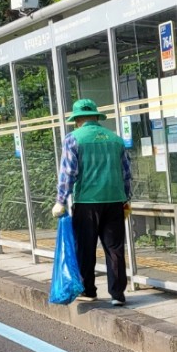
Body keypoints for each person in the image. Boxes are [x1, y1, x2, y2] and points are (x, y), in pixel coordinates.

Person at [51, 99, 132, 305]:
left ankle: (88, 291)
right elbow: (126, 174)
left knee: (85, 248)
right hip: (115, 201)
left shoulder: (74, 139)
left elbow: (68, 173)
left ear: (77, 120)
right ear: (97, 117)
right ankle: (117, 294)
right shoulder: (116, 139)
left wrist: (61, 200)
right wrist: (126, 199)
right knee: (114, 249)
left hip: (87, 202)